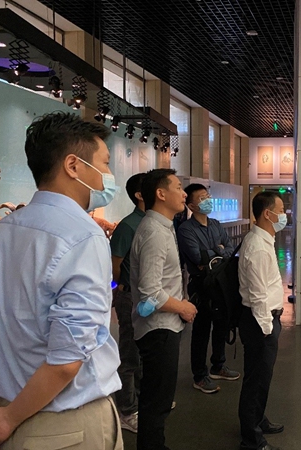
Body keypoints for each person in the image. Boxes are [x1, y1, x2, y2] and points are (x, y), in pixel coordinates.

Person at [0, 111, 122, 449]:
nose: (108, 176)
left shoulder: (0, 233)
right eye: (105, 164)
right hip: (66, 423)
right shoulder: (83, 236)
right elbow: (67, 360)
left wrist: (0, 415)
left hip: (8, 412)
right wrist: (10, 417)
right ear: (73, 166)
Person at [130, 168, 197, 450]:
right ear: (160, 193)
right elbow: (150, 291)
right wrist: (183, 307)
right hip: (158, 329)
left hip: (165, 327)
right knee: (156, 401)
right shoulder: (154, 232)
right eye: (178, 187)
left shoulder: (164, 227)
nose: (183, 194)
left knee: (159, 399)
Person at [177, 183, 240, 394]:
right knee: (202, 329)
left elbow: (230, 249)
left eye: (208, 196)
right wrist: (218, 251)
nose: (208, 201)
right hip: (201, 283)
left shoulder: (215, 224)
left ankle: (218, 365)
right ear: (192, 206)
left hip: (221, 281)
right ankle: (199, 375)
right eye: (202, 198)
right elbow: (198, 257)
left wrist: (215, 253)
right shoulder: (186, 229)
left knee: (222, 323)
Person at [238, 191, 286, 450]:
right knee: (255, 381)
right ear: (268, 214)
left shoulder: (263, 240)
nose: (284, 215)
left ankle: (257, 419)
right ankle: (251, 439)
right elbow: (258, 296)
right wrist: (267, 329)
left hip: (264, 320)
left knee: (261, 378)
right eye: (281, 210)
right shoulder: (257, 247)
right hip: (260, 323)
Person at [110, 172, 146, 432]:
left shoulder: (155, 223)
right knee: (130, 353)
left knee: (144, 351)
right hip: (130, 295)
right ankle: (127, 409)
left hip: (147, 296)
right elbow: (116, 264)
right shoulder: (128, 226)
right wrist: (123, 285)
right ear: (140, 195)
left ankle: (143, 401)